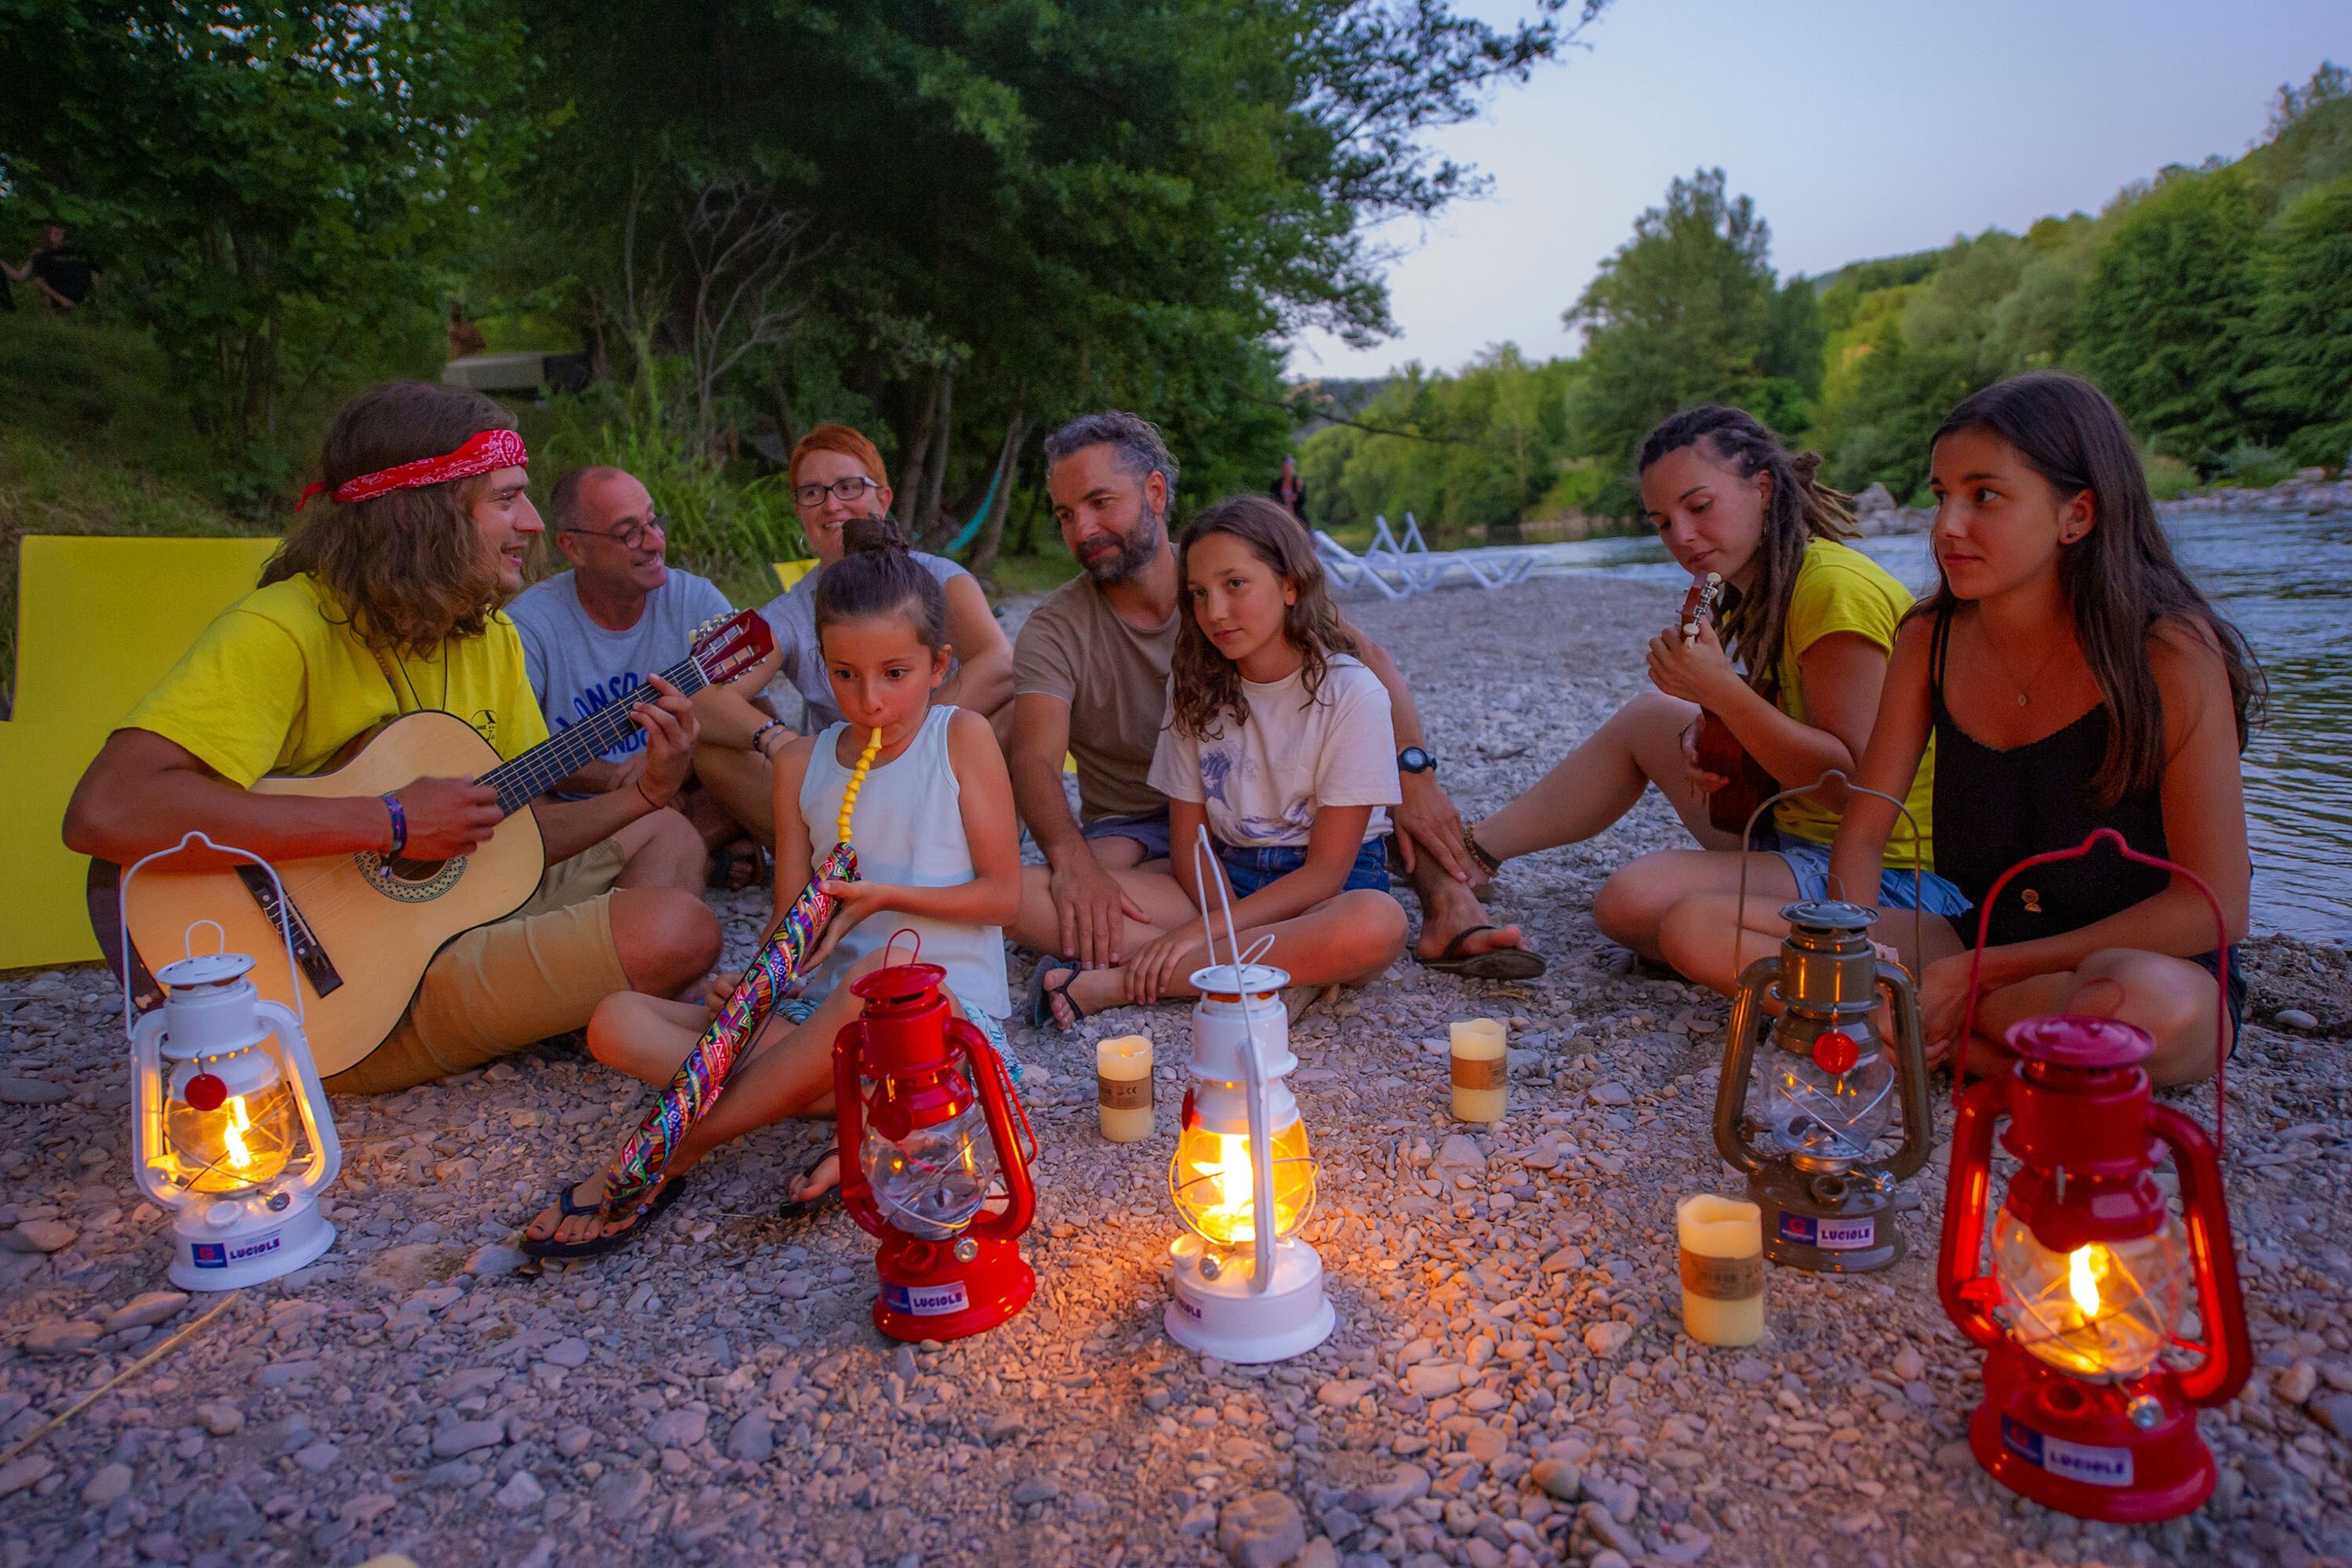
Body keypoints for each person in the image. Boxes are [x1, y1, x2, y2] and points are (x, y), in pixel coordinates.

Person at [61, 381, 721, 1093]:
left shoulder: (490, 635)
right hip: (339, 997)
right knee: (678, 935)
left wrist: (645, 793)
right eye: (505, 498)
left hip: (446, 925)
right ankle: (583, 1016)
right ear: (422, 514)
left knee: (671, 834)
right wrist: (389, 821)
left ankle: (570, 1011)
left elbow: (508, 841)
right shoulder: (284, 628)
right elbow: (107, 810)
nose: (531, 522)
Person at [520, 519, 1022, 1255]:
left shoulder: (959, 737)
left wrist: (884, 898)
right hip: (825, 1022)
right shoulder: (801, 764)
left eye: (895, 673)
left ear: (939, 664)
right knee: (616, 1021)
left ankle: (678, 1145)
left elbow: (1003, 898)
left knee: (884, 978)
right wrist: (750, 988)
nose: (870, 700)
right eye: (845, 675)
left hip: (941, 1020)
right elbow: (788, 924)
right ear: (821, 666)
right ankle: (868, 1114)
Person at [1821, 372, 2257, 1087]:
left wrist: (1980, 975)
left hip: (2146, 966)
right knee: (1713, 929)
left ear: (2076, 515)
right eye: (1941, 496)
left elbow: (2217, 907)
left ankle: (1949, 1043)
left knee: (2138, 1009)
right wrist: (1862, 952)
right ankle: (1998, 1056)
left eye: (1984, 496)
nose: (1946, 526)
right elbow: (1865, 833)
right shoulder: (1928, 639)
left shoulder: (2169, 653)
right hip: (1984, 947)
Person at [1007, 411, 1541, 983]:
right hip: (1142, 822)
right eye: (1066, 515)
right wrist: (1072, 865)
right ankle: (1276, 953)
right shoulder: (1058, 627)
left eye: (1099, 503)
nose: (1082, 530)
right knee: (1033, 896)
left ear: (1155, 492)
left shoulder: (1236, 565)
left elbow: (1370, 665)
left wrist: (1414, 772)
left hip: (1289, 805)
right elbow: (1036, 760)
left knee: (1390, 803)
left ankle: (1447, 907)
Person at [1459, 405, 1959, 994]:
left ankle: (1871, 962)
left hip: (1888, 870)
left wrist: (1721, 692)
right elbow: (1790, 729)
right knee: (1651, 719)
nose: (1683, 537)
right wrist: (1712, 729)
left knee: (1628, 902)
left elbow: (1854, 794)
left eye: (1699, 507)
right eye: (1662, 523)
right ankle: (1473, 855)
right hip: (1794, 826)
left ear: (1764, 488)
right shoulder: (1759, 586)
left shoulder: (1831, 591)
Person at [1026, 495, 1408, 1027]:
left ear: (1291, 585)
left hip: (1329, 891)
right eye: (1199, 594)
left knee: (1379, 924)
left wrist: (1196, 935)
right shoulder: (1195, 687)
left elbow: (1325, 873)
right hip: (1227, 877)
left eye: (1235, 585)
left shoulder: (1351, 693)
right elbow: (1188, 842)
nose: (1215, 613)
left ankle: (1115, 983)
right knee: (1030, 894)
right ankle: (1285, 970)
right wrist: (1215, 921)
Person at [693, 423, 1016, 841]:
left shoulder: (940, 578)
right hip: (849, 788)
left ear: (884, 499)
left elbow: (999, 661)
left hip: (940, 769)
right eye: (813, 493)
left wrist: (911, 739)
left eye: (848, 487)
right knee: (714, 751)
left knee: (1019, 710)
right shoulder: (790, 613)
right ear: (800, 513)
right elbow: (705, 701)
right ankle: (824, 873)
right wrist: (780, 742)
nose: (831, 505)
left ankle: (987, 859)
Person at [505, 464, 754, 887]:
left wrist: (673, 767)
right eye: (629, 533)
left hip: (680, 794)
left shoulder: (694, 599)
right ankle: (699, 855)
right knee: (520, 816)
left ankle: (649, 859)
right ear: (574, 547)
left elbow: (747, 699)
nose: (656, 542)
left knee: (753, 750)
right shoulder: (528, 625)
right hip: (578, 813)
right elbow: (514, 755)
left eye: (653, 522)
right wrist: (620, 781)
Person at [5, 223, 95, 311]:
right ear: (49, 234)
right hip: (56, 299)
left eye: (61, 233)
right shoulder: (41, 254)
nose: (60, 235)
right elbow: (20, 276)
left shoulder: (72, 252)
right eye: (56, 233)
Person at [1270, 455, 1307, 519]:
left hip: (1296, 517)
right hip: (1279, 516)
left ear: (1293, 468)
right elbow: (1273, 500)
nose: (1286, 470)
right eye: (1284, 468)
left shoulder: (1298, 483)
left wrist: (1299, 491)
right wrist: (1292, 498)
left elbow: (1302, 503)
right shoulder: (1276, 484)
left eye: (1289, 467)